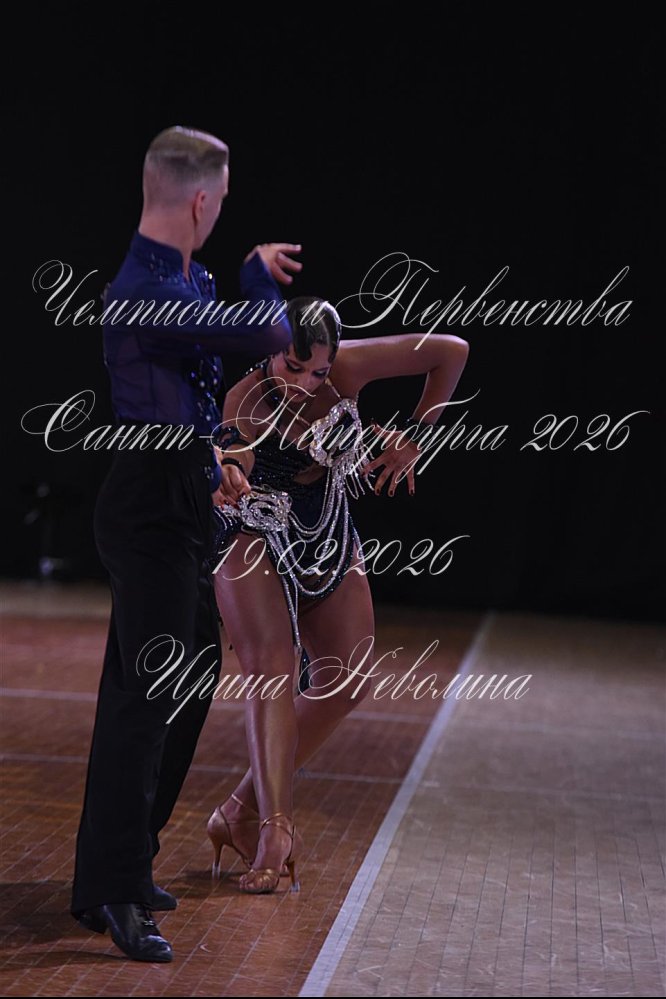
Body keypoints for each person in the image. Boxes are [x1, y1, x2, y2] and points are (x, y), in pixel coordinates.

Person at [70, 125, 302, 962]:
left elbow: (188, 404)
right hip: (147, 507)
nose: (221, 212)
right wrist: (254, 273)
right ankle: (116, 886)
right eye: (222, 200)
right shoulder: (147, 290)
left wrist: (215, 466)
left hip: (178, 495)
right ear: (201, 200)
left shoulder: (178, 279)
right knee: (145, 700)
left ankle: (117, 864)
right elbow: (268, 332)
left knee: (188, 675)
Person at [205, 297, 470, 893]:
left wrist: (416, 435)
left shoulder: (349, 367)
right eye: (293, 367)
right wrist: (231, 468)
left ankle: (238, 810)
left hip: (325, 527)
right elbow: (235, 449)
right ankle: (275, 829)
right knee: (272, 670)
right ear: (272, 350)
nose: (304, 383)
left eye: (318, 372)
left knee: (348, 682)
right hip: (255, 528)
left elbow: (452, 353)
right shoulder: (246, 398)